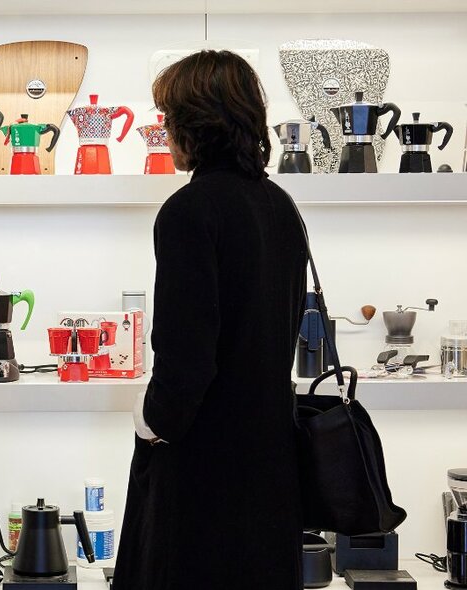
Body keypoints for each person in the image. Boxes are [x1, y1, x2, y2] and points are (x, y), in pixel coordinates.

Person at [115, 51, 308, 589]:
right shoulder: (281, 205)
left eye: (168, 119)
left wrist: (150, 420)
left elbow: (185, 359)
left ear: (196, 125)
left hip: (204, 478)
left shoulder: (188, 211)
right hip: (271, 466)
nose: (165, 131)